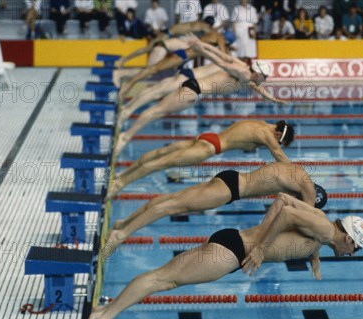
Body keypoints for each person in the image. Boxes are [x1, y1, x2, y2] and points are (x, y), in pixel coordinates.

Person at [80, 193, 363, 319]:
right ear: (348, 239)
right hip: (232, 252)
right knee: (161, 279)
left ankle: (104, 312)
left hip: (233, 245)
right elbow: (287, 214)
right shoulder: (322, 228)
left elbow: (283, 199)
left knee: (164, 279)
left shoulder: (323, 227)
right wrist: (259, 247)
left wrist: (312, 257)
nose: (351, 254)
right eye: (354, 249)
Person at [105, 162, 328, 255]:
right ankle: (120, 234)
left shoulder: (297, 173)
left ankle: (122, 224)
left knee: (169, 200)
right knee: (169, 207)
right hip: (230, 190)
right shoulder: (306, 192)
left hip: (230, 178)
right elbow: (304, 219)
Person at [114, 35, 285, 153]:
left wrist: (269, 97)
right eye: (265, 77)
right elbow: (220, 61)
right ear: (258, 73)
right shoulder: (243, 74)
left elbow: (222, 55)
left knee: (156, 100)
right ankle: (125, 137)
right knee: (157, 110)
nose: (265, 80)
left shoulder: (243, 67)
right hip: (193, 90)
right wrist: (201, 49)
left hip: (193, 86)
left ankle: (125, 115)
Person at [109, 119, 295, 197]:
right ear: (279, 135)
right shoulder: (267, 134)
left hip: (208, 137)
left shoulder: (260, 123)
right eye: (280, 140)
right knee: (159, 164)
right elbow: (278, 154)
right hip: (210, 147)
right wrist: (296, 173)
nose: (277, 142)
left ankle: (121, 176)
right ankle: (118, 185)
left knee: (159, 154)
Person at [116, 32, 228, 100]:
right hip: (183, 55)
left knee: (153, 70)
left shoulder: (211, 36)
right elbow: (223, 55)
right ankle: (127, 85)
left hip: (183, 54)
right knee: (152, 70)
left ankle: (127, 83)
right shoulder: (220, 38)